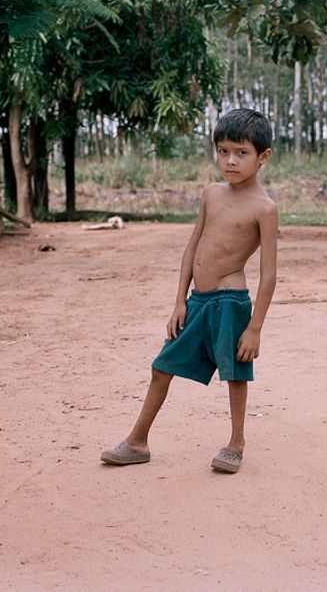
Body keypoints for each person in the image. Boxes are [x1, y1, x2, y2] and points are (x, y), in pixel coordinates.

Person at [101, 108, 278, 473]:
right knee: (161, 367)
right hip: (197, 302)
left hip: (230, 302)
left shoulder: (265, 208)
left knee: (235, 373)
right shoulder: (211, 194)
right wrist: (179, 301)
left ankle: (236, 443)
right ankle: (137, 441)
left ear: (263, 157)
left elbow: (269, 275)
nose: (230, 161)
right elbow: (192, 247)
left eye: (241, 153)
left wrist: (255, 328)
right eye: (223, 151)